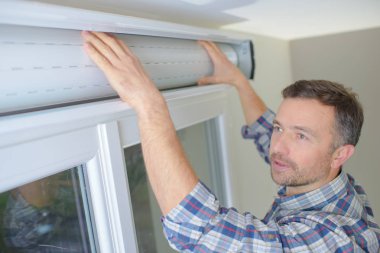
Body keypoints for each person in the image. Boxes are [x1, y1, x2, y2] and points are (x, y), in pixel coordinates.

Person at [81, 31, 380, 252]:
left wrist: (149, 105)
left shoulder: (333, 238)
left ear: (340, 153)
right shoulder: (327, 182)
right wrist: (238, 81)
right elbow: (269, 136)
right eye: (280, 128)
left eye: (301, 135)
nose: (279, 146)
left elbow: (198, 229)